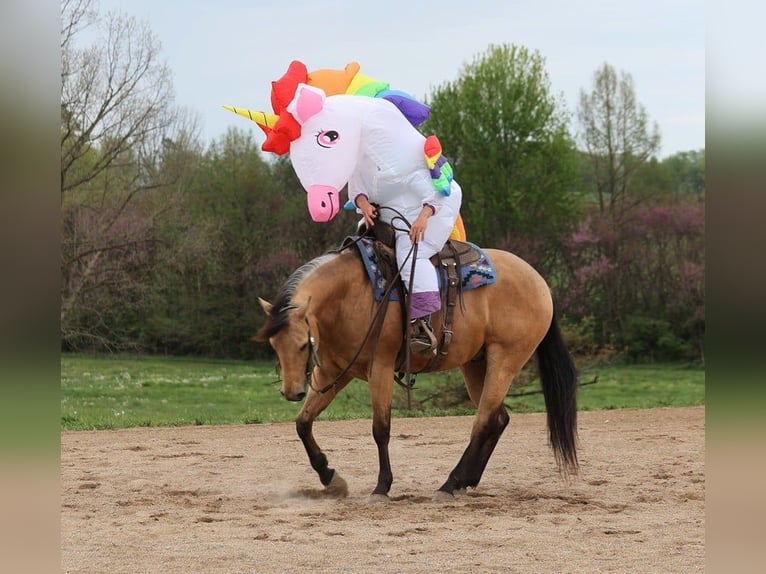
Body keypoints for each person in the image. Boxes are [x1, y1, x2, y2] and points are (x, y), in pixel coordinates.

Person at [350, 166, 462, 356]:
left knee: (410, 255)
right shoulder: (361, 153)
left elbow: (434, 193)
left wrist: (423, 216)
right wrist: (364, 204)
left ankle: (422, 322)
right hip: (390, 211)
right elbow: (357, 186)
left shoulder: (408, 155)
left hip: (429, 210)